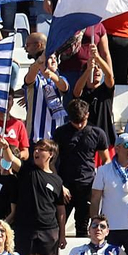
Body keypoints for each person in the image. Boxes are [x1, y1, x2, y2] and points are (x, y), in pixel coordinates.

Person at [52, 99, 109, 237]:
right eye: (74, 121)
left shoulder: (97, 133)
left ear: (87, 115)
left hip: (87, 186)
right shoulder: (61, 132)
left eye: (81, 121)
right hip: (65, 185)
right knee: (56, 226)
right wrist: (60, 185)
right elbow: (51, 161)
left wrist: (100, 183)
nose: (78, 125)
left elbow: (106, 159)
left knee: (83, 227)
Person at [10, 139, 69, 255]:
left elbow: (61, 210)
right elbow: (11, 160)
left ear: (51, 154)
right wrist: (5, 148)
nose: (36, 152)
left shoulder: (57, 180)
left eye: (41, 149)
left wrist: (62, 235)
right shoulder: (27, 170)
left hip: (49, 229)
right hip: (25, 228)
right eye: (35, 149)